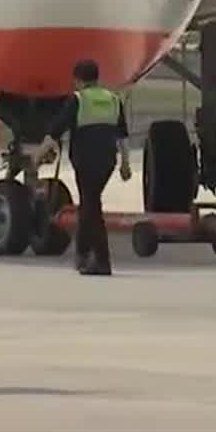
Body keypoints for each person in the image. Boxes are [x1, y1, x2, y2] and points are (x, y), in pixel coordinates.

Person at [42, 60, 132, 276]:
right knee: (89, 204)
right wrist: (125, 164)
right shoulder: (113, 99)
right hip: (107, 161)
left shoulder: (78, 99)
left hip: (86, 161)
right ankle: (82, 253)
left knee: (92, 208)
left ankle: (102, 261)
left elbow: (56, 130)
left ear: (78, 79)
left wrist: (38, 154)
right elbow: (122, 135)